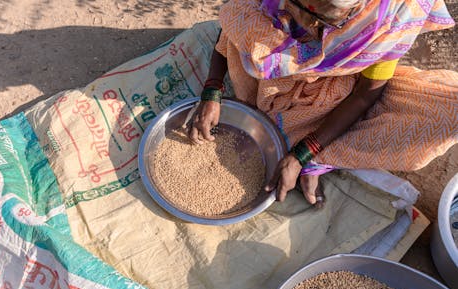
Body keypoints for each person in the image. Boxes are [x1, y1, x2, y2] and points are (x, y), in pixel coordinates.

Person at [188, 0, 457, 207]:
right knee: (250, 43)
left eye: (322, 21)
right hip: (273, 73)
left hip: (336, 89)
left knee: (445, 114)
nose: (311, 27)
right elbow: (236, 18)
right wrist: (213, 89)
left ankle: (317, 155)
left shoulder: (390, 19)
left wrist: (304, 153)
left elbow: (365, 95)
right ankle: (296, 135)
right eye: (301, 10)